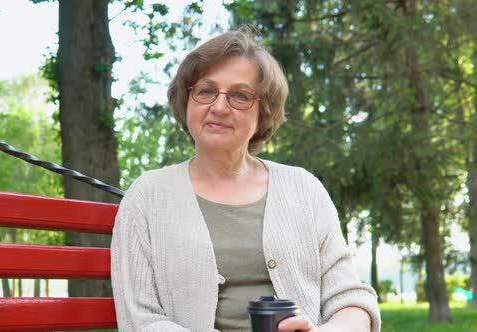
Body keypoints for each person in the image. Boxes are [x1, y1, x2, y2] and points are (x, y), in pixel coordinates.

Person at [111, 27, 381, 332]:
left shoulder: (305, 190)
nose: (219, 106)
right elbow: (140, 319)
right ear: (186, 100)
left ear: (263, 112)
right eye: (205, 90)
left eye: (240, 95)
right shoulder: (148, 196)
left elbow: (350, 299)